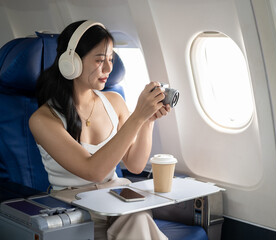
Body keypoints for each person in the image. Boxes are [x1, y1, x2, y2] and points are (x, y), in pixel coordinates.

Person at [29, 20, 170, 240]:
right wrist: (137, 117)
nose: (108, 69)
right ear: (71, 62)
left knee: (137, 217)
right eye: (100, 60)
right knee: (138, 222)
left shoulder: (114, 101)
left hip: (116, 199)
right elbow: (92, 170)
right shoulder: (43, 119)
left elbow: (134, 165)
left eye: (111, 60)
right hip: (75, 209)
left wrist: (148, 121)